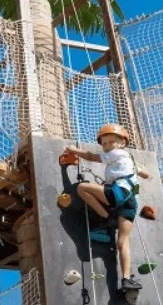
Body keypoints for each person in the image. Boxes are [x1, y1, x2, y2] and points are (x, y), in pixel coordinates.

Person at [62, 123, 151, 293]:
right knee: (123, 242)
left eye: (111, 142)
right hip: (130, 201)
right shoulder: (128, 159)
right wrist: (145, 173)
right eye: (104, 144)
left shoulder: (116, 154)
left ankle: (105, 217)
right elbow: (144, 173)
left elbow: (91, 156)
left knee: (81, 188)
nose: (107, 146)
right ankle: (126, 279)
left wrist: (73, 150)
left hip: (118, 192)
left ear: (122, 143)